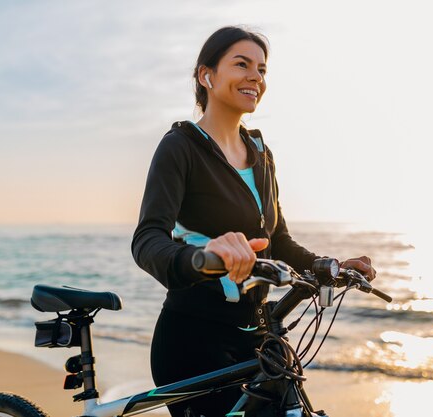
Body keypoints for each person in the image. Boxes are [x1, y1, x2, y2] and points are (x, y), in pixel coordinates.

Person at [131, 26, 376, 417]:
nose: (256, 77)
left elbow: (277, 240)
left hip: (259, 335)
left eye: (262, 69)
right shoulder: (179, 147)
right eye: (242, 64)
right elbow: (147, 240)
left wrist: (328, 265)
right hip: (193, 337)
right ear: (206, 76)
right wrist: (199, 257)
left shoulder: (261, 154)